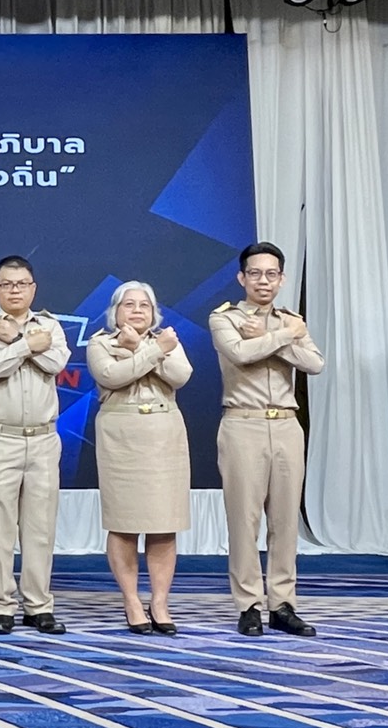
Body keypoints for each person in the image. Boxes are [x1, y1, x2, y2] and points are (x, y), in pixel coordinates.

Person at [210, 241, 326, 638]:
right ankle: (248, 605)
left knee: (285, 520)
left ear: (282, 279)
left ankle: (282, 603)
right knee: (244, 520)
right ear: (242, 278)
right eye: (256, 273)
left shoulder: (290, 319)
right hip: (243, 422)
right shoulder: (224, 318)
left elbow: (315, 363)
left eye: (271, 274)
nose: (264, 280)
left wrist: (275, 335)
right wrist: (284, 337)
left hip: (287, 424)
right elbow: (240, 354)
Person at [0, 255, 70, 636]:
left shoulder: (50, 325)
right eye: (7, 284)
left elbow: (57, 362)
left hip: (43, 438)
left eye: (22, 284)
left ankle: (39, 605)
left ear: (33, 288)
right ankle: (1, 606)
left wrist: (17, 342)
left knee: (40, 528)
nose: (15, 290)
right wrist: (27, 344)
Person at [85, 281, 192, 636]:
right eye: (128, 304)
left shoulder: (167, 339)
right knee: (124, 522)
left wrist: (147, 348)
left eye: (144, 305)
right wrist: (152, 352)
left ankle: (160, 602)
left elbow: (181, 376)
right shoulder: (101, 343)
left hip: (164, 434)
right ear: (115, 312)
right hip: (121, 435)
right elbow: (112, 376)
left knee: (164, 522)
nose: (136, 311)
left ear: (154, 312)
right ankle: (131, 601)